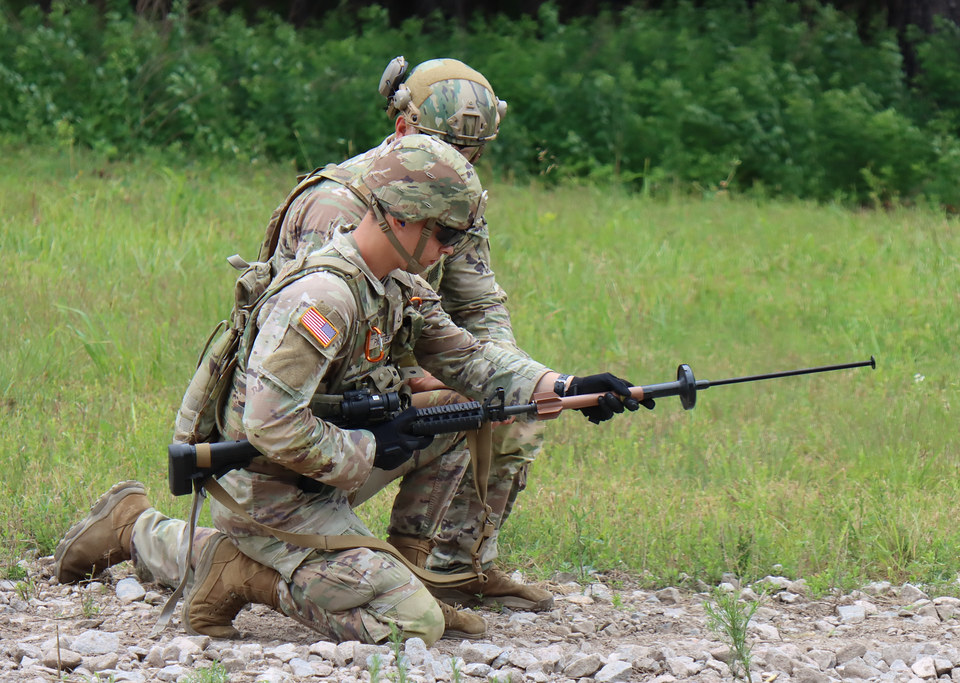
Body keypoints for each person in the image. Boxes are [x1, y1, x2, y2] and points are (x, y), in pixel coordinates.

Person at [54, 135, 648, 645]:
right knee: (412, 627)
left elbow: (468, 359)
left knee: (457, 411)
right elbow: (270, 425)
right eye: (445, 234)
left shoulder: (396, 285)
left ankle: (394, 571)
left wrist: (564, 386)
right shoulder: (324, 298)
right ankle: (229, 565)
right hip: (269, 487)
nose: (449, 250)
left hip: (316, 469)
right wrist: (369, 448)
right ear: (404, 218)